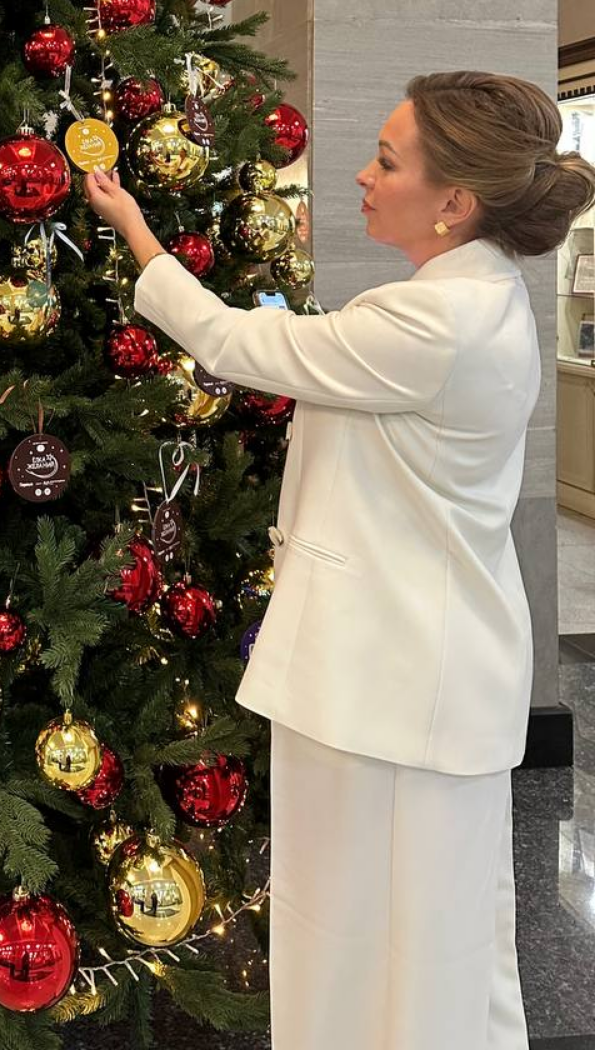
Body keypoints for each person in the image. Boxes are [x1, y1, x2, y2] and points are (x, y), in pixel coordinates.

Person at [85, 71, 595, 1050]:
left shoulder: (434, 322)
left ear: (455, 201)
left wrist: (134, 229)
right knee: (432, 942)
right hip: (409, 682)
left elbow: (242, 343)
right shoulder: (464, 300)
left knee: (377, 939)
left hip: (391, 688)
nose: (360, 174)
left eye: (388, 160)